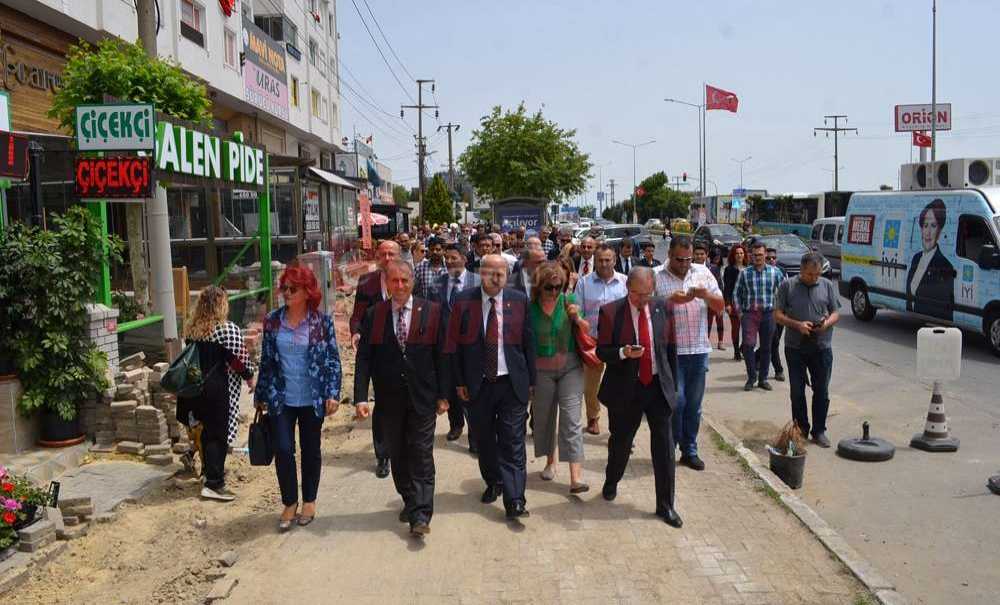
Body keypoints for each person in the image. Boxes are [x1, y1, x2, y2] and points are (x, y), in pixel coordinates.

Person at [354, 261, 449, 536]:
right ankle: (409, 498)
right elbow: (364, 358)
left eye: (404, 281)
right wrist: (361, 397)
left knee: (421, 453)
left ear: (412, 282)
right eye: (393, 281)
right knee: (398, 453)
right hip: (389, 399)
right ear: (386, 282)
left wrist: (444, 395)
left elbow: (442, 356)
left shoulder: (431, 312)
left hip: (423, 397)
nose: (399, 286)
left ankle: (421, 513)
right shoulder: (375, 314)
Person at [447, 254, 537, 519]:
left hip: (511, 383)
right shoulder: (464, 301)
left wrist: (532, 381)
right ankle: (494, 481)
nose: (495, 277)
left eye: (501, 272)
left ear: (507, 275)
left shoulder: (519, 300)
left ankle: (515, 499)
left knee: (512, 441)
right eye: (489, 272)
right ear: (480, 273)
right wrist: (460, 382)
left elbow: (528, 344)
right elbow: (454, 348)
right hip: (478, 385)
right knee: (484, 441)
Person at [255, 266, 341, 530]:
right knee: (282, 449)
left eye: (293, 289)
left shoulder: (321, 322)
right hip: (281, 397)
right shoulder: (272, 321)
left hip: (312, 398)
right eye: (284, 288)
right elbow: (266, 361)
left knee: (311, 450)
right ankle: (290, 501)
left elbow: (332, 360)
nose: (287, 293)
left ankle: (310, 501)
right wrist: (260, 394)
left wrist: (333, 393)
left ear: (307, 292)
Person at [596, 267, 682, 528]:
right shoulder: (611, 312)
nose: (642, 300)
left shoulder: (663, 308)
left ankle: (665, 505)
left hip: (657, 387)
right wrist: (623, 352)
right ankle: (611, 481)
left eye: (647, 294)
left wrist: (673, 388)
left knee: (664, 448)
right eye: (636, 295)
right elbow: (601, 352)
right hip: (627, 389)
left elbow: (670, 349)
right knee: (621, 444)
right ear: (627, 289)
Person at [179, 286, 256, 502]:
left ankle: (209, 474)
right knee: (217, 436)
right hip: (217, 390)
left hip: (194, 391)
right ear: (221, 305)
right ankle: (214, 483)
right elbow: (238, 360)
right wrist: (250, 377)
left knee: (205, 433)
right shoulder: (226, 329)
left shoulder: (193, 329)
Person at [654, 236, 724, 471]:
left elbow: (721, 306)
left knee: (694, 404)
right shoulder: (656, 275)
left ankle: (689, 450)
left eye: (687, 259)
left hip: (698, 349)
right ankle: (669, 448)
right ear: (670, 255)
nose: (684, 263)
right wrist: (668, 300)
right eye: (679, 259)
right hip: (671, 352)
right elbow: (643, 307)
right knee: (677, 402)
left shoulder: (703, 273)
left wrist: (705, 295)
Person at [529, 261, 589, 493]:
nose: (554, 292)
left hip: (570, 367)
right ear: (539, 286)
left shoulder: (569, 301)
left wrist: (577, 318)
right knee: (544, 419)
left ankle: (576, 478)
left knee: (571, 419)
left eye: (558, 287)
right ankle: (550, 462)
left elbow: (586, 330)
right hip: (541, 371)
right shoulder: (529, 307)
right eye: (549, 287)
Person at [774, 252, 841, 448]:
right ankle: (801, 428)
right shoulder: (788, 286)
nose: (814, 278)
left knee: (822, 390)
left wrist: (826, 323)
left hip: (821, 346)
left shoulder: (827, 285)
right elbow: (777, 315)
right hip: (795, 347)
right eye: (810, 274)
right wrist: (797, 324)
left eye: (817, 274)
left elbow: (836, 312)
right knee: (797, 391)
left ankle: (819, 430)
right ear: (801, 270)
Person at [350, 240, 400, 478]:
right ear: (377, 256)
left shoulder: (409, 280)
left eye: (392, 253)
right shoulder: (367, 283)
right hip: (378, 351)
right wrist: (356, 332)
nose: (388, 257)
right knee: (382, 404)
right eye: (383, 254)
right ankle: (383, 455)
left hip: (404, 351)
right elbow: (357, 314)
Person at [574, 243, 627, 436]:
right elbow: (577, 309)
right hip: (592, 342)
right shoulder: (584, 283)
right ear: (595, 261)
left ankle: (618, 425)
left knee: (618, 385)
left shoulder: (625, 282)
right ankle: (593, 418)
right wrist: (579, 322)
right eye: (600, 260)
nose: (604, 264)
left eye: (608, 260)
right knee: (591, 386)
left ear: (614, 260)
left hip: (618, 344)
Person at [432, 244, 482, 447]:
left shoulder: (477, 281)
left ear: (464, 258)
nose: (449, 261)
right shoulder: (438, 283)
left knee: (470, 388)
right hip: (445, 344)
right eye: (447, 258)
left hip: (470, 345)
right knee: (450, 385)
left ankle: (475, 435)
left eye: (453, 257)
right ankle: (456, 424)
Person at [734, 242, 783, 392]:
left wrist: (779, 311)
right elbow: (736, 293)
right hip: (749, 314)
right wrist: (740, 313)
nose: (757, 258)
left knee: (767, 347)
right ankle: (751, 377)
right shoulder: (744, 273)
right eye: (754, 255)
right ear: (751, 256)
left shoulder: (775, 272)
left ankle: (763, 379)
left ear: (765, 255)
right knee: (748, 345)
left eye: (760, 255)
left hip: (769, 314)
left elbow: (783, 292)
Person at [906, 198, 955, 320]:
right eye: (925, 225)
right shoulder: (916, 259)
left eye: (933, 226)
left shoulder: (945, 265)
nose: (927, 232)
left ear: (939, 230)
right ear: (921, 228)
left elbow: (945, 311)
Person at [756, 248, 786, 381]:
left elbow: (787, 292)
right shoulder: (757, 272)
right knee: (773, 343)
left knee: (772, 342)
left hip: (781, 313)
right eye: (769, 258)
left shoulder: (781, 272)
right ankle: (778, 370)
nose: (772, 260)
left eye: (774, 257)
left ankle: (755, 357)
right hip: (767, 314)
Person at [723, 245, 747, 360]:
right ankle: (736, 351)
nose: (739, 255)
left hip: (747, 303)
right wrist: (727, 303)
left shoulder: (749, 268)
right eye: (737, 253)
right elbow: (727, 288)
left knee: (748, 328)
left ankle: (743, 348)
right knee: (736, 328)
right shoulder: (729, 269)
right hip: (734, 302)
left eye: (741, 253)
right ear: (733, 255)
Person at [705, 248, 726, 350]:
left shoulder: (721, 267)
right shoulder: (711, 268)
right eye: (715, 256)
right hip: (712, 297)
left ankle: (720, 341)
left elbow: (722, 284)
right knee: (709, 321)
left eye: (719, 256)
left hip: (719, 296)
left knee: (719, 320)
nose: (717, 258)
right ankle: (708, 341)